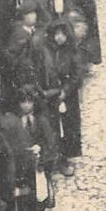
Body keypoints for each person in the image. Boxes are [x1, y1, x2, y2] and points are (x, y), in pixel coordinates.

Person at [2, 85, 56, 211]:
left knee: (33, 204)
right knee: (14, 205)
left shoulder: (40, 121)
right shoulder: (11, 121)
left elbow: (50, 143)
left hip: (34, 169)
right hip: (15, 169)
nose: (26, 106)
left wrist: (41, 154)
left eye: (29, 102)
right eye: (22, 102)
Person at [38, 18, 87, 177]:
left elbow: (77, 76)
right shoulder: (46, 51)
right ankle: (49, 159)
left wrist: (65, 91)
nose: (59, 38)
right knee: (49, 127)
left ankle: (64, 158)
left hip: (67, 97)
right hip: (49, 95)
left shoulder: (73, 52)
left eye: (62, 34)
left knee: (67, 129)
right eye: (56, 34)